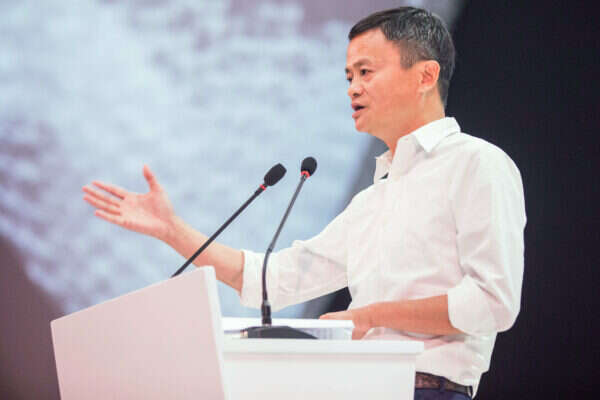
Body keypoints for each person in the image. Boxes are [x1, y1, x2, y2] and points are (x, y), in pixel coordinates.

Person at [83, 7, 526, 399]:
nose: (353, 88)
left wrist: (370, 317)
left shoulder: (477, 164)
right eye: (349, 77)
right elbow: (272, 280)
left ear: (425, 77)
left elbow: (492, 302)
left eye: (366, 72)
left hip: (428, 389)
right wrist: (172, 230)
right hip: (358, 388)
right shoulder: (373, 200)